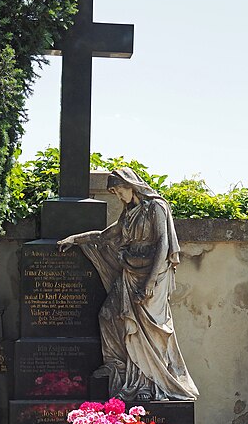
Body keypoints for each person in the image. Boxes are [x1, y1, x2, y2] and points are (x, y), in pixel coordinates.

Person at [57, 167, 199, 402]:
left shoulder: (157, 207)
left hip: (153, 277)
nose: (118, 196)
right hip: (130, 272)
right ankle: (125, 373)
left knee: (151, 333)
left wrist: (150, 282)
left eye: (118, 190)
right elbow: (105, 235)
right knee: (110, 316)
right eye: (113, 192)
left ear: (131, 184)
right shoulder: (129, 213)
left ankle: (151, 384)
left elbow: (163, 245)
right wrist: (75, 239)